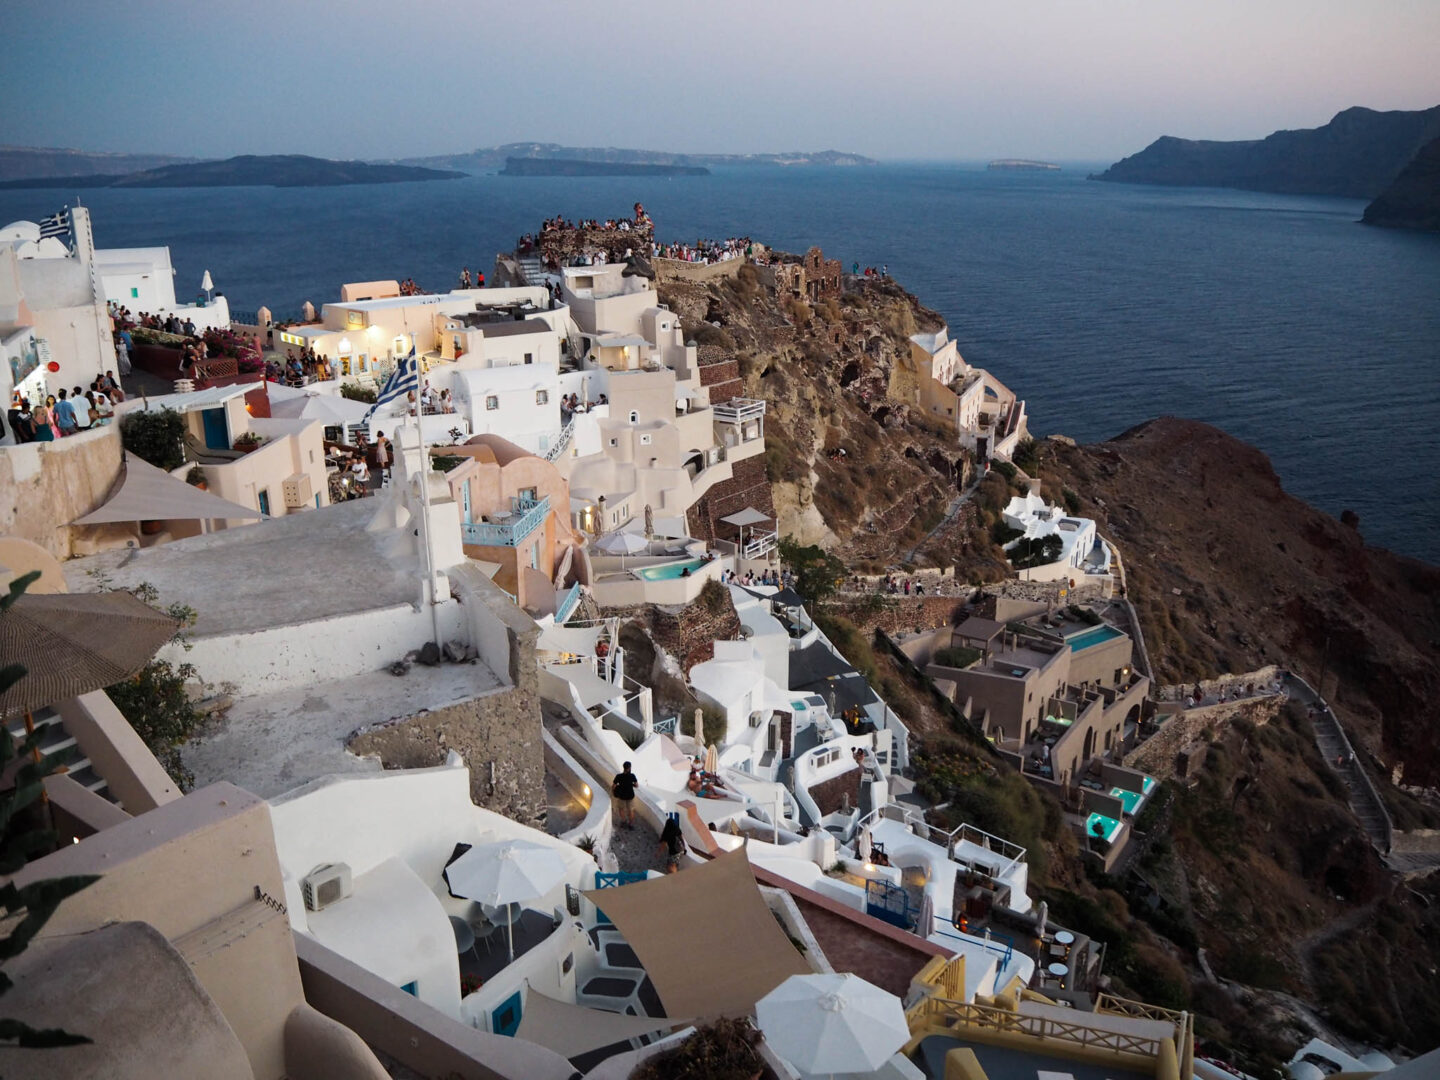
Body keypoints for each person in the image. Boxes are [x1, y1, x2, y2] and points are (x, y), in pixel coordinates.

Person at [611, 762, 638, 829]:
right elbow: (637, 785)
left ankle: (623, 821)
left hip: (621, 796)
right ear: (629, 768)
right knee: (631, 810)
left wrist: (613, 792)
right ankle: (631, 824)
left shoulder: (619, 776)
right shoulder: (632, 776)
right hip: (630, 796)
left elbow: (613, 786)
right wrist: (632, 784)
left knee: (621, 809)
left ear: (624, 767)